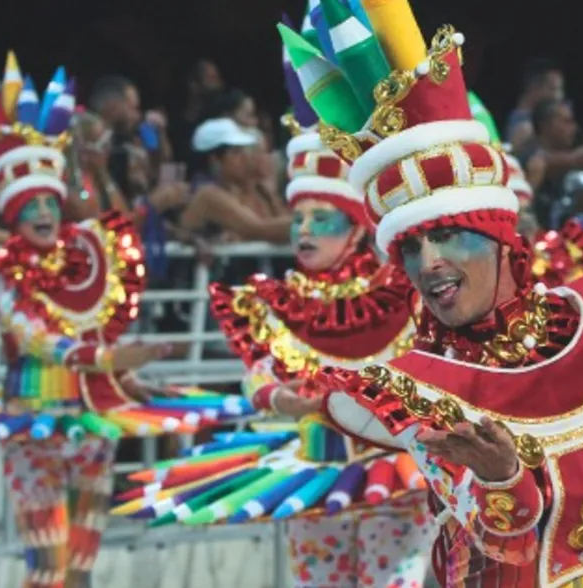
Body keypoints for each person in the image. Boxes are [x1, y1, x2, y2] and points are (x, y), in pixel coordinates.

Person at [279, 7, 583, 586]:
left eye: (448, 235)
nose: (428, 264)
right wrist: (503, 480)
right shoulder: (419, 387)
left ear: (502, 237)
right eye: (409, 248)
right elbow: (498, 546)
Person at [0, 47, 250, 587]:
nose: (42, 214)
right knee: (46, 566)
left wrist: (126, 379)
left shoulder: (83, 267)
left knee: (80, 567)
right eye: (30, 205)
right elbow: (42, 343)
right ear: (11, 213)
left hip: (92, 425)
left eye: (49, 203)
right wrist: (110, 358)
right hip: (33, 421)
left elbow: (95, 323)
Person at [121, 69, 436, 588]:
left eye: (322, 218)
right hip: (313, 474)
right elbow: (259, 376)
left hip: (394, 478)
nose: (305, 230)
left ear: (358, 225)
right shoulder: (276, 303)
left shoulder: (403, 292)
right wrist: (276, 399)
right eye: (299, 218)